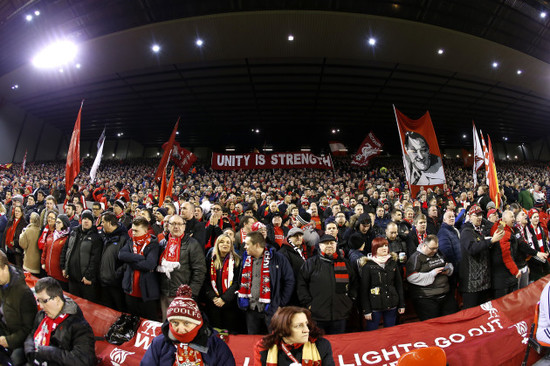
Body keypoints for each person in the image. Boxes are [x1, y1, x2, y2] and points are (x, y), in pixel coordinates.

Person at [141, 284, 236, 365]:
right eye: (175, 323)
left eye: (186, 323)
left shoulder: (216, 346)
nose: (181, 329)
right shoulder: (159, 344)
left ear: (198, 323)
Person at [24, 277, 95, 366]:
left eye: (44, 301)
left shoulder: (79, 325)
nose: (41, 306)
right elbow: (33, 333)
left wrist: (51, 353)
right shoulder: (42, 315)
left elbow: (83, 360)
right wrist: (29, 348)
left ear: (57, 299)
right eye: (39, 301)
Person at [297, 234, 357, 335]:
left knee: (338, 346)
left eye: (331, 243)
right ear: (320, 246)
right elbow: (301, 284)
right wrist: (309, 304)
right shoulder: (311, 263)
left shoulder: (345, 263)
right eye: (326, 243)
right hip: (317, 316)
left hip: (340, 315)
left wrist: (350, 300)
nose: (329, 245)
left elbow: (354, 283)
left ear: (336, 245)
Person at [238, 231, 295, 334]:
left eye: (247, 244)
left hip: (272, 310)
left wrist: (280, 303)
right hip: (251, 310)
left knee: (274, 341)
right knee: (252, 342)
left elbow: (289, 281)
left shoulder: (278, 258)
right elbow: (240, 280)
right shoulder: (245, 259)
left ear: (257, 245)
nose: (245, 247)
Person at [157, 215, 206, 320]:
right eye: (173, 224)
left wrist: (191, 293)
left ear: (184, 227)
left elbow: (200, 270)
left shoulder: (193, 244)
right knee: (167, 324)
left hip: (183, 295)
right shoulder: (162, 243)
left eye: (179, 224)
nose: (176, 227)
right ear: (168, 226)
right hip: (164, 293)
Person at [253, 306, 334, 366]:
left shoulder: (322, 345)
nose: (307, 330)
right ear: (282, 331)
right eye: (299, 326)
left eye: (306, 324)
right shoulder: (263, 347)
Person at [459, 205, 504, 308]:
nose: (479, 217)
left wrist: (502, 221)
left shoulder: (479, 231)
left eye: (480, 215)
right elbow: (472, 249)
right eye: (476, 215)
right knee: (471, 314)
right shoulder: (466, 232)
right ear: (469, 217)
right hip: (471, 285)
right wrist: (491, 241)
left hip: (482, 283)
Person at [406, 235, 457, 321]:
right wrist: (432, 273)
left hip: (445, 294)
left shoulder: (438, 253)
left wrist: (448, 270)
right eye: (432, 248)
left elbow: (448, 264)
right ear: (424, 245)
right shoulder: (416, 257)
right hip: (427, 297)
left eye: (436, 248)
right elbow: (411, 277)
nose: (435, 251)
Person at [119, 216, 161, 320]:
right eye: (132, 230)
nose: (133, 233)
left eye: (136, 231)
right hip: (130, 290)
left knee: (148, 321)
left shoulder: (153, 244)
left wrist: (131, 262)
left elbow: (149, 264)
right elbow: (121, 255)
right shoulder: (130, 241)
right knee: (132, 321)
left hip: (147, 292)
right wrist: (140, 257)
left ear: (145, 230)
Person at [359, 237, 405, 331]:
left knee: (390, 332)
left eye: (386, 246)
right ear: (375, 248)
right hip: (374, 306)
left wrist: (401, 304)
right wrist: (366, 310)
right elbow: (364, 289)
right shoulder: (367, 266)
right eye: (381, 246)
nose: (385, 248)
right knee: (372, 333)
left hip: (392, 303)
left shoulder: (393, 263)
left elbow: (399, 285)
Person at [0, 250, 37, 366]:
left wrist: (9, 341)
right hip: (4, 332)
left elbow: (29, 328)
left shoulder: (23, 293)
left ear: (5, 268)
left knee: (14, 360)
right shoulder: (2, 285)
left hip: (19, 340)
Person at [60, 210, 102, 303]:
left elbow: (95, 259)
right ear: (81, 220)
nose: (86, 221)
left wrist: (88, 276)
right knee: (73, 303)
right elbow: (66, 249)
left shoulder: (96, 238)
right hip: (72, 277)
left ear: (92, 222)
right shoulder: (74, 232)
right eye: (84, 219)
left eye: (88, 219)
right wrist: (64, 267)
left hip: (84, 280)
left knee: (87, 306)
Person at [204, 234, 242, 333]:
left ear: (231, 245)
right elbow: (206, 281)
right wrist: (214, 298)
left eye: (228, 242)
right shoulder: (210, 260)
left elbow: (237, 282)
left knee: (230, 332)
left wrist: (224, 299)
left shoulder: (237, 260)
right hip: (213, 303)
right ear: (217, 244)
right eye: (222, 241)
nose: (225, 244)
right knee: (215, 332)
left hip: (230, 303)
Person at [99, 211, 130, 312]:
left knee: (119, 310)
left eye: (103, 222)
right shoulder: (103, 236)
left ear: (109, 223)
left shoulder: (124, 238)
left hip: (116, 283)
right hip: (103, 281)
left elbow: (127, 261)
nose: (101, 224)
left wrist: (117, 273)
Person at [18, 211, 41, 276]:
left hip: (28, 263)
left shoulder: (27, 230)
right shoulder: (40, 230)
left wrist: (21, 235)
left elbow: (23, 244)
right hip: (37, 264)